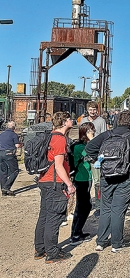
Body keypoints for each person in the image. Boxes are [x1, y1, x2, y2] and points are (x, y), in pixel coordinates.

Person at [86, 110, 130, 252]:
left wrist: (101, 161)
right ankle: (116, 244)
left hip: (107, 176)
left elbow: (89, 148)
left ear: (117, 120)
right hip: (127, 177)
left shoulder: (106, 135)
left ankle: (101, 242)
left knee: (105, 208)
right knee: (118, 209)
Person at [34, 111, 76, 263]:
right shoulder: (59, 140)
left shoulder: (49, 136)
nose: (72, 120)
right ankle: (52, 252)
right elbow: (59, 166)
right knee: (54, 217)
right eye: (70, 118)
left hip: (45, 180)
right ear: (64, 122)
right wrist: (70, 184)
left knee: (44, 215)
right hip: (55, 182)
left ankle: (40, 249)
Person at [69, 122, 95, 245]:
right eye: (91, 131)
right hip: (81, 179)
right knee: (83, 206)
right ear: (85, 132)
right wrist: (92, 141)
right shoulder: (80, 147)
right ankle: (75, 234)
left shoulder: (84, 145)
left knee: (85, 206)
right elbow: (92, 155)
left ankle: (77, 232)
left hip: (86, 178)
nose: (93, 132)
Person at [80, 101, 107, 216]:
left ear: (97, 110)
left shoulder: (101, 121)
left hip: (96, 155)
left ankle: (99, 206)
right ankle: (85, 203)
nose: (92, 111)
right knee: (86, 180)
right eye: (90, 109)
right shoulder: (83, 121)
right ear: (87, 110)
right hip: (85, 154)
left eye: (94, 109)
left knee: (97, 181)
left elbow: (105, 137)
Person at [0, 121, 22, 196]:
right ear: (14, 127)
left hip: (0, 153)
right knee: (15, 171)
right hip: (9, 154)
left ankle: (3, 190)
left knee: (3, 172)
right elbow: (17, 145)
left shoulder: (1, 134)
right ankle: (6, 187)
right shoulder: (13, 135)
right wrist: (21, 144)